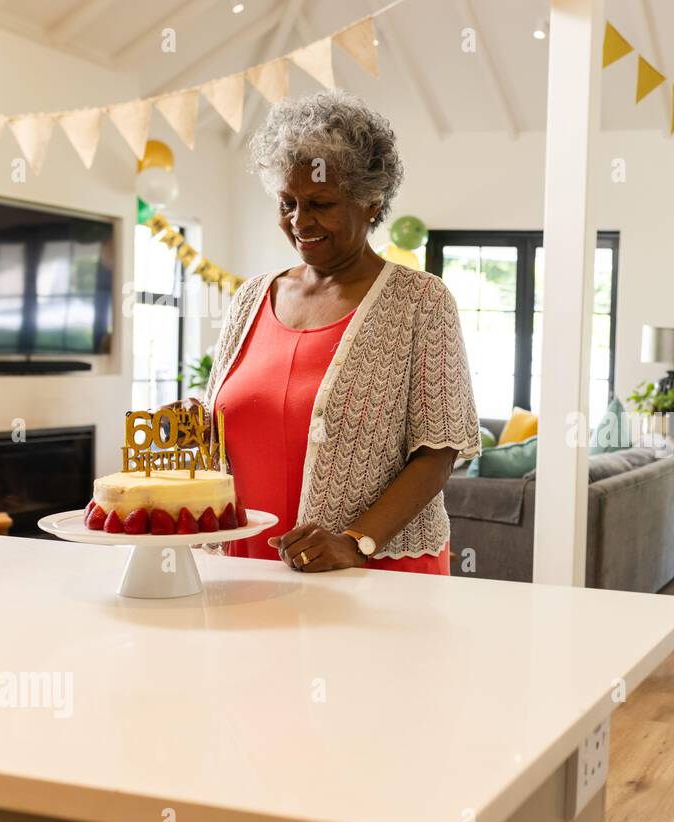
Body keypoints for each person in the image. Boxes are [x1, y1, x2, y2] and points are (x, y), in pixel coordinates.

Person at [200, 90, 479, 573]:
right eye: (287, 202)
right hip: (246, 563)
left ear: (371, 202)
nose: (299, 221)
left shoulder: (421, 302)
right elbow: (226, 428)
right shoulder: (249, 299)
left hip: (374, 565)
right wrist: (198, 424)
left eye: (320, 203)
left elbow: (439, 452)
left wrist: (356, 541)